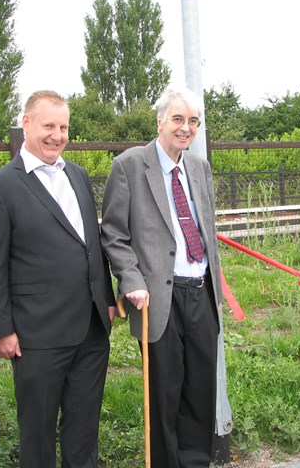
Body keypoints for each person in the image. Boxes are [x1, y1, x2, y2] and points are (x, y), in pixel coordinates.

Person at [0, 90, 116, 468]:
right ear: (26, 124)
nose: (57, 135)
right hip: (37, 333)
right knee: (37, 433)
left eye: (64, 126)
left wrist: (106, 298)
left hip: (91, 328)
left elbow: (91, 243)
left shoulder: (79, 176)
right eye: (48, 125)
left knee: (84, 428)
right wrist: (1, 328)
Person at [101, 86, 224, 468]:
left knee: (200, 391)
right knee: (165, 394)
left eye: (192, 122)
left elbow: (206, 227)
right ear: (160, 121)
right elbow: (114, 233)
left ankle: (196, 463)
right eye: (178, 119)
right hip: (157, 298)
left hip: (201, 293)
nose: (185, 128)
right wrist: (130, 279)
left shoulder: (199, 167)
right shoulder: (129, 165)